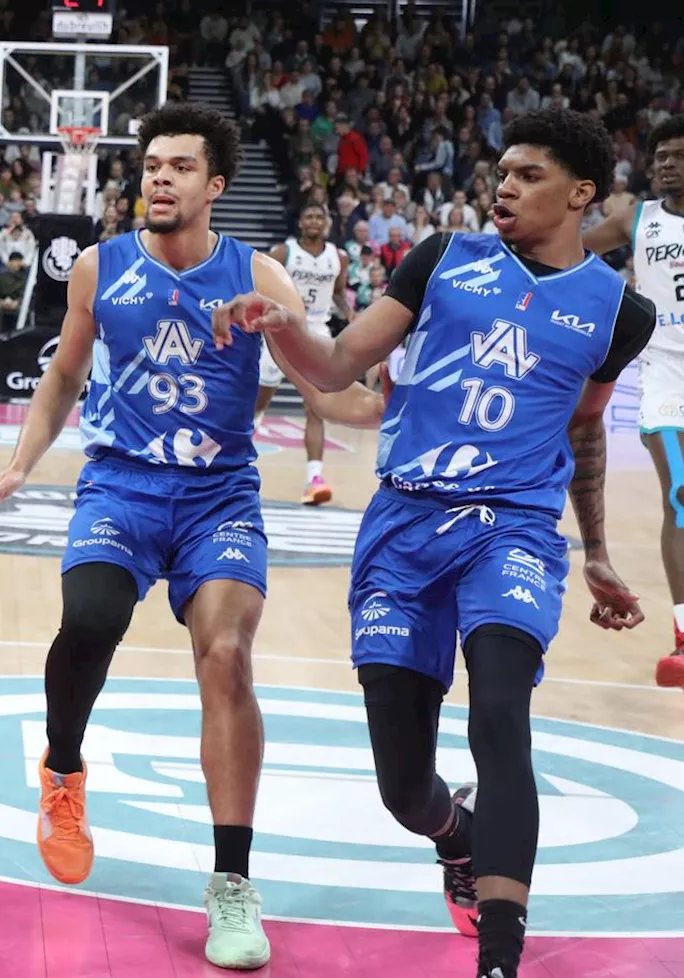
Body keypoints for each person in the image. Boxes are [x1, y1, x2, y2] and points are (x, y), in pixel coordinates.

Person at [211, 108, 653, 978]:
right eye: (503, 170)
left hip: (512, 530)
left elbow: (587, 433)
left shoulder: (617, 313)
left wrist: (595, 549)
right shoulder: (442, 259)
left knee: (500, 716)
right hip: (405, 526)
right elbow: (337, 364)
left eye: (528, 175)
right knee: (402, 788)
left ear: (581, 193)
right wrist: (281, 325)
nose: (506, 185)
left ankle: (500, 956)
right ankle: (454, 833)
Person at [0, 102, 384, 972]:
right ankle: (65, 771)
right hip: (120, 484)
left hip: (219, 496)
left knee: (227, 652)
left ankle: (232, 882)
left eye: (179, 167)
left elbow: (333, 393)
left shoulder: (262, 278)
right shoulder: (99, 267)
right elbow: (65, 375)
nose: (158, 177)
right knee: (89, 620)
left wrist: (382, 396)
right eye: (151, 164)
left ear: (215, 185)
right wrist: (17, 464)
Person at [582, 115, 684, 687]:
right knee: (681, 494)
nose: (666, 164)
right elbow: (568, 248)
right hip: (666, 374)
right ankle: (683, 635)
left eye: (678, 155)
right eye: (660, 155)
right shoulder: (637, 218)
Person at [254, 200, 353, 504]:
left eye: (318, 216)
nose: (313, 220)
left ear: (326, 222)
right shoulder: (284, 253)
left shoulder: (339, 257)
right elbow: (260, 285)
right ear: (300, 222)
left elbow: (337, 291)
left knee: (316, 406)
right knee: (257, 405)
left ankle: (314, 478)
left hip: (316, 333)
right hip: (280, 330)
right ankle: (234, 465)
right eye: (308, 215)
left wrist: (351, 315)